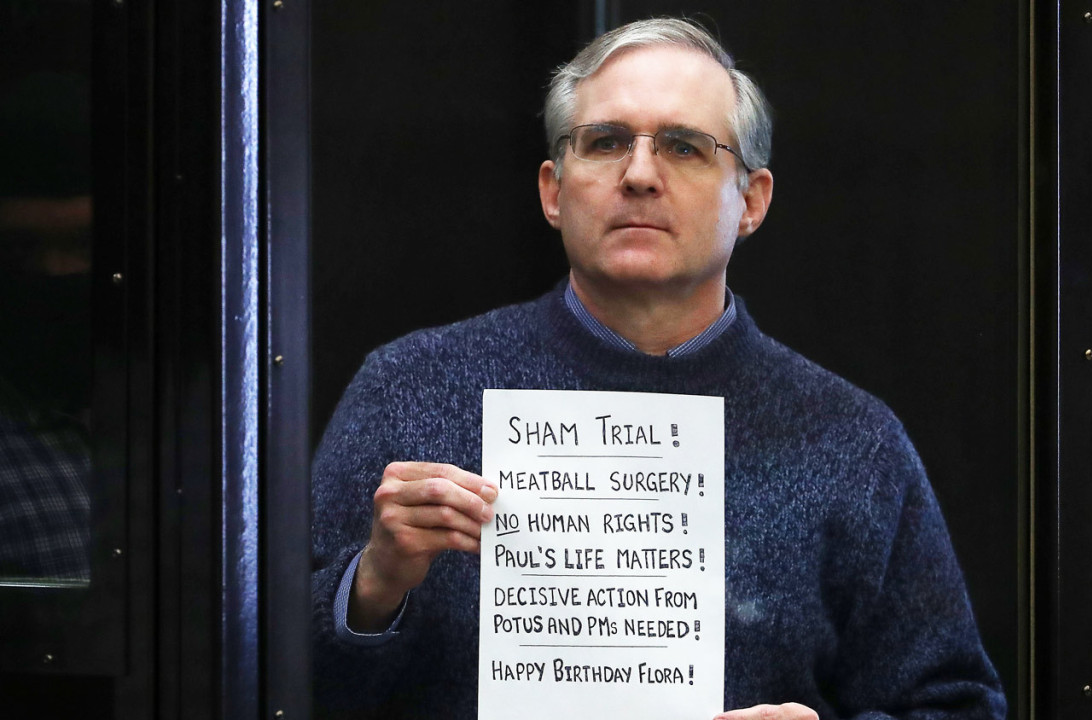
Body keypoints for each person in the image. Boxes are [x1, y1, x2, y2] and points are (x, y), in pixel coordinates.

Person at [311, 18, 1006, 720]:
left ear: (753, 202)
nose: (640, 175)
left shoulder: (853, 441)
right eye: (606, 142)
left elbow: (957, 705)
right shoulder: (406, 391)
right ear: (554, 191)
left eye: (684, 146)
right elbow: (259, 680)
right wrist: (371, 589)